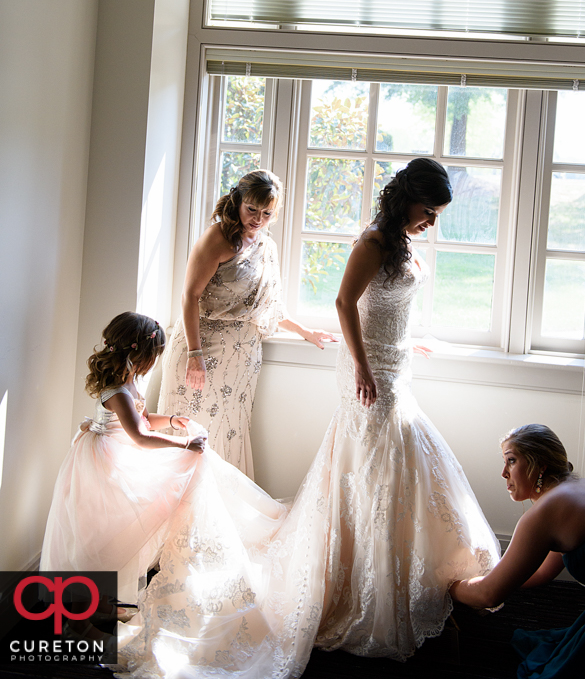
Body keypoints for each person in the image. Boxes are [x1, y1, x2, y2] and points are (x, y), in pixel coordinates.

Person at [118, 158, 501, 677]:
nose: (431, 223)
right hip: (368, 371)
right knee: (372, 461)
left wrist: (410, 342)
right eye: (428, 211)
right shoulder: (372, 242)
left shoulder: (403, 243)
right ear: (408, 198)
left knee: (389, 465)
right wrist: (363, 367)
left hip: (392, 363)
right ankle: (356, 577)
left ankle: (387, 569)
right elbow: (346, 303)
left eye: (437, 215)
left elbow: (386, 308)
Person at [157, 169, 336, 478]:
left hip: (241, 359)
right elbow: (190, 296)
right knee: (190, 433)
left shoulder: (267, 249)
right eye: (252, 209)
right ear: (238, 200)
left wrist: (306, 331)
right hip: (200, 350)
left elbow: (269, 308)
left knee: (227, 433)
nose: (257, 218)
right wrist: (195, 355)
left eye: (266, 213)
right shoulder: (218, 238)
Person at [40, 312, 208, 604]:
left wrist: (171, 420)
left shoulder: (129, 384)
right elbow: (140, 437)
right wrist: (184, 445)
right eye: (154, 355)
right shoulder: (117, 392)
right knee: (99, 532)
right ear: (140, 355)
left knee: (118, 528)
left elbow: (142, 420)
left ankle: (102, 600)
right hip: (102, 463)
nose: (154, 362)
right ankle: (81, 605)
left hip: (118, 453)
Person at [450, 423, 585, 678]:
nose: (504, 473)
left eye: (512, 460)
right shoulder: (576, 491)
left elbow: (488, 595)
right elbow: (542, 573)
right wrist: (497, 578)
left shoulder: (545, 512)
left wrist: (449, 585)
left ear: (540, 464)